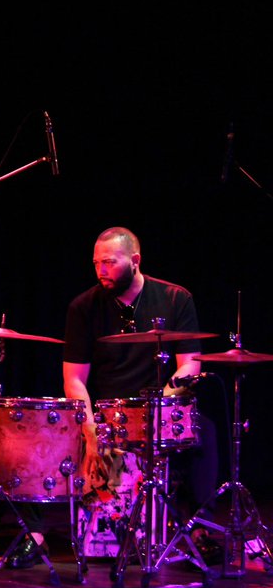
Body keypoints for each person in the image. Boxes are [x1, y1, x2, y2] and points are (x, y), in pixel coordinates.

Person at [60, 225, 219, 564]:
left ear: (135, 260)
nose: (101, 271)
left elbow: (189, 364)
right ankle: (98, 532)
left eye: (110, 262)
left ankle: (197, 529)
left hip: (161, 405)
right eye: (96, 263)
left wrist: (162, 405)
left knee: (204, 429)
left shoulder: (175, 298)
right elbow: (74, 379)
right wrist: (90, 430)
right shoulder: (83, 307)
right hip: (109, 412)